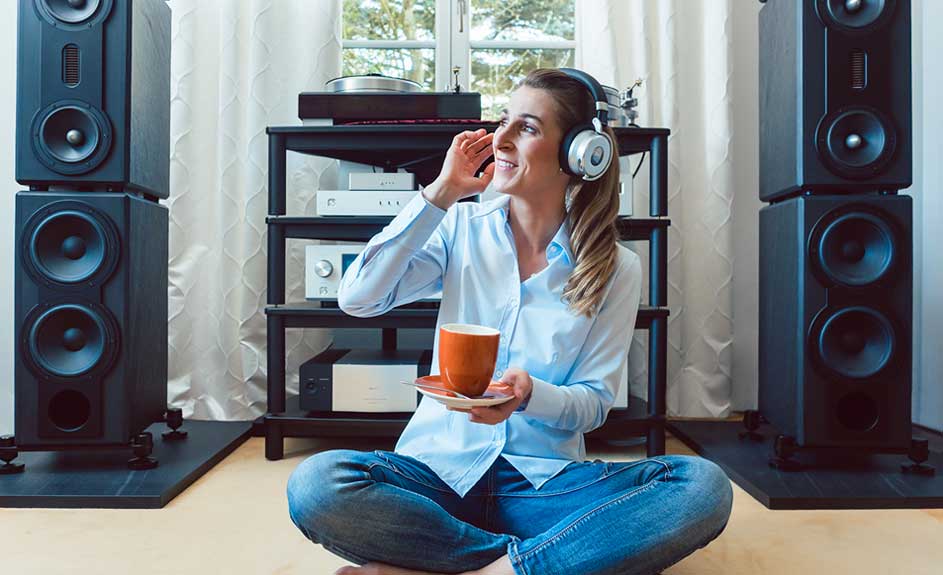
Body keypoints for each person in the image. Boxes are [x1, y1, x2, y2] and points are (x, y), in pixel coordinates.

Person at [286, 68, 733, 575]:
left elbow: (593, 405)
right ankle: (538, 562)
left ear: (578, 154)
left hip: (544, 486)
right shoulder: (459, 226)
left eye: (527, 127)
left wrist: (530, 395)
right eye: (503, 121)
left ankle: (458, 566)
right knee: (317, 484)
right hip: (439, 476)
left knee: (701, 487)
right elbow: (358, 299)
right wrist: (440, 193)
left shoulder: (616, 268)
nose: (500, 139)